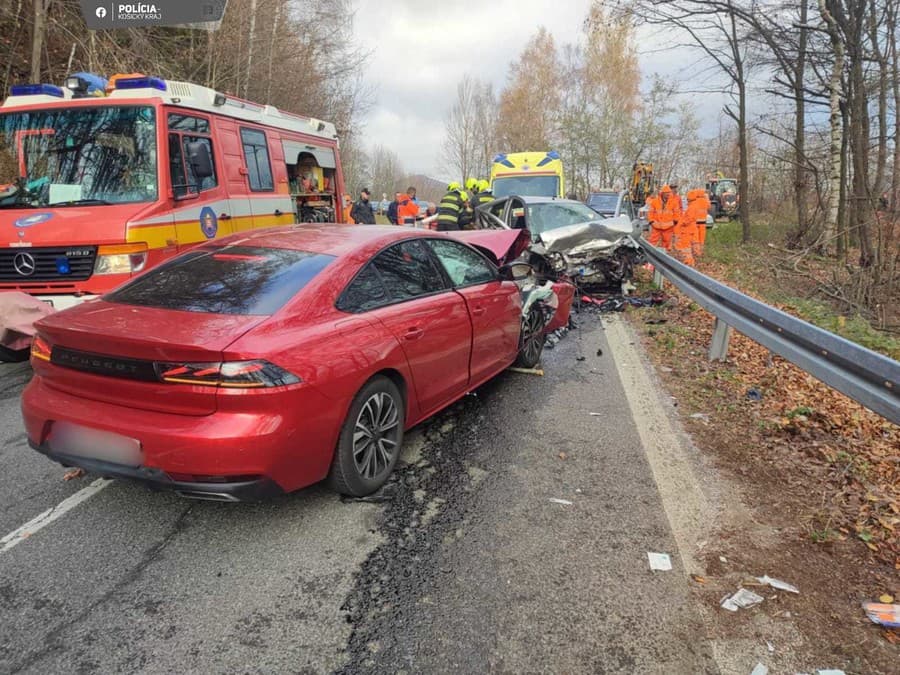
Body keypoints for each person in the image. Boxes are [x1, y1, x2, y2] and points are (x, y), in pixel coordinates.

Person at [673, 189, 705, 266]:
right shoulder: (696, 205)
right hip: (694, 228)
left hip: (687, 230)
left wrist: (682, 223)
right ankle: (696, 259)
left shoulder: (692, 207)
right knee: (695, 244)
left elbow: (688, 219)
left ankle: (689, 263)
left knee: (685, 247)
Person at [646, 184, 678, 250]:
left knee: (666, 243)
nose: (668, 195)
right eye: (666, 193)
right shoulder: (655, 201)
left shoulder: (674, 202)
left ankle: (664, 254)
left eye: (669, 193)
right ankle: (650, 253)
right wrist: (651, 221)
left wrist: (674, 222)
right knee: (652, 242)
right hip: (656, 225)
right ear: (662, 193)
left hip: (668, 226)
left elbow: (677, 213)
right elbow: (650, 212)